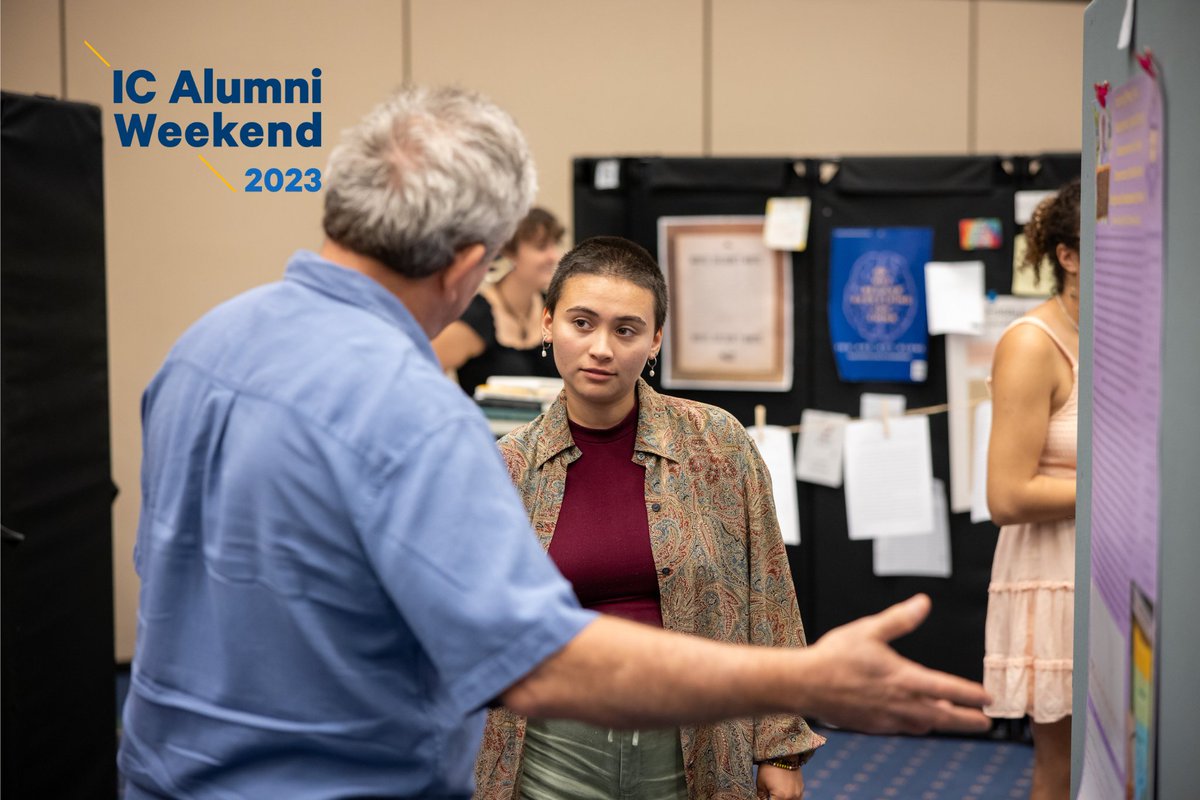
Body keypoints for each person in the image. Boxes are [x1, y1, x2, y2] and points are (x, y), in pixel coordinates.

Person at [119, 85, 990, 800]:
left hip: (166, 773)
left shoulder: (202, 348)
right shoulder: (418, 413)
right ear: (469, 266)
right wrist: (801, 682)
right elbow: (536, 664)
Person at [475, 236, 821, 800]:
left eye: (626, 329)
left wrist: (780, 745)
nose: (601, 348)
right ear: (547, 324)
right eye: (581, 323)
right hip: (551, 744)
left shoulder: (717, 446)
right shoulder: (507, 468)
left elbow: (770, 597)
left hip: (694, 740)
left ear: (655, 339)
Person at [984, 177, 1081, 800]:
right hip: (1056, 573)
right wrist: (1122, 485)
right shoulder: (1030, 343)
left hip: (1123, 563)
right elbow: (1007, 496)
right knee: (1065, 766)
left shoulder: (1131, 333)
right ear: (1067, 256)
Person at [432, 207, 565, 394]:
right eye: (541, 247)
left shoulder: (556, 309)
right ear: (509, 253)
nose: (554, 256)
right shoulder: (477, 316)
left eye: (555, 244)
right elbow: (422, 373)